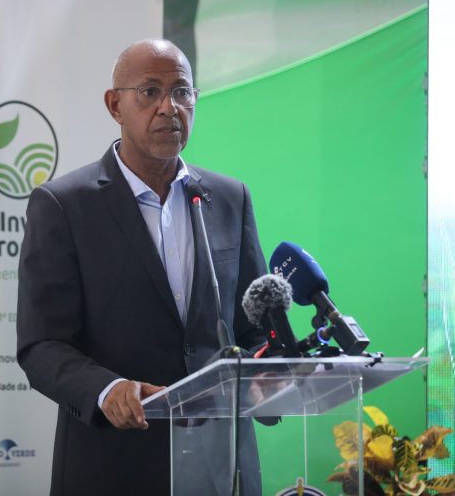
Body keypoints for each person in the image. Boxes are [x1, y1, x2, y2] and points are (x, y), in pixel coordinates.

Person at [17, 39, 267, 495]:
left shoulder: (230, 199)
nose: (170, 108)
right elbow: (42, 344)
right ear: (115, 105)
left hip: (222, 466)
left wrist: (264, 372)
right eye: (150, 92)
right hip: (115, 463)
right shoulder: (64, 206)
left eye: (182, 92)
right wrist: (106, 389)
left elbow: (255, 328)